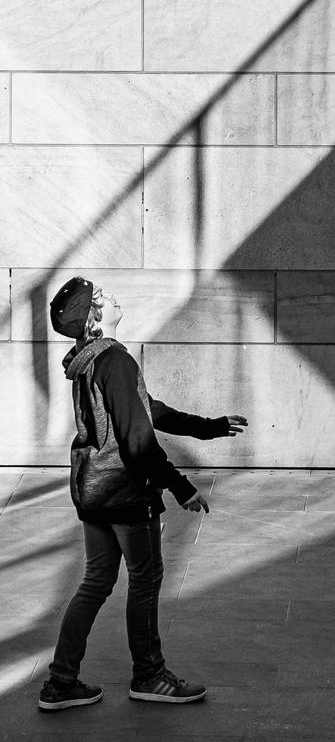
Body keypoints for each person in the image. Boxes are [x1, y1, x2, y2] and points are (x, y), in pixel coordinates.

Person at [38, 277, 248, 712]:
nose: (111, 297)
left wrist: (207, 426)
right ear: (95, 319)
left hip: (93, 488)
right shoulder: (114, 360)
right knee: (146, 578)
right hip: (124, 491)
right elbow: (137, 439)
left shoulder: (90, 360)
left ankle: (60, 682)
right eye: (101, 298)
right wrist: (181, 486)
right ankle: (150, 676)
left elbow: (148, 409)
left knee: (96, 582)